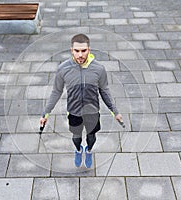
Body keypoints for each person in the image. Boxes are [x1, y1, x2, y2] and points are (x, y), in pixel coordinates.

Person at [39, 33, 123, 168]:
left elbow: (104, 91)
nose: (80, 55)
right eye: (76, 51)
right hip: (74, 112)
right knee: (76, 137)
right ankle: (78, 150)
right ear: (71, 50)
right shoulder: (63, 69)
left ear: (89, 50)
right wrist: (45, 114)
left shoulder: (99, 69)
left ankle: (89, 151)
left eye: (83, 51)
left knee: (91, 137)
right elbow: (56, 92)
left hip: (92, 112)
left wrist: (116, 112)